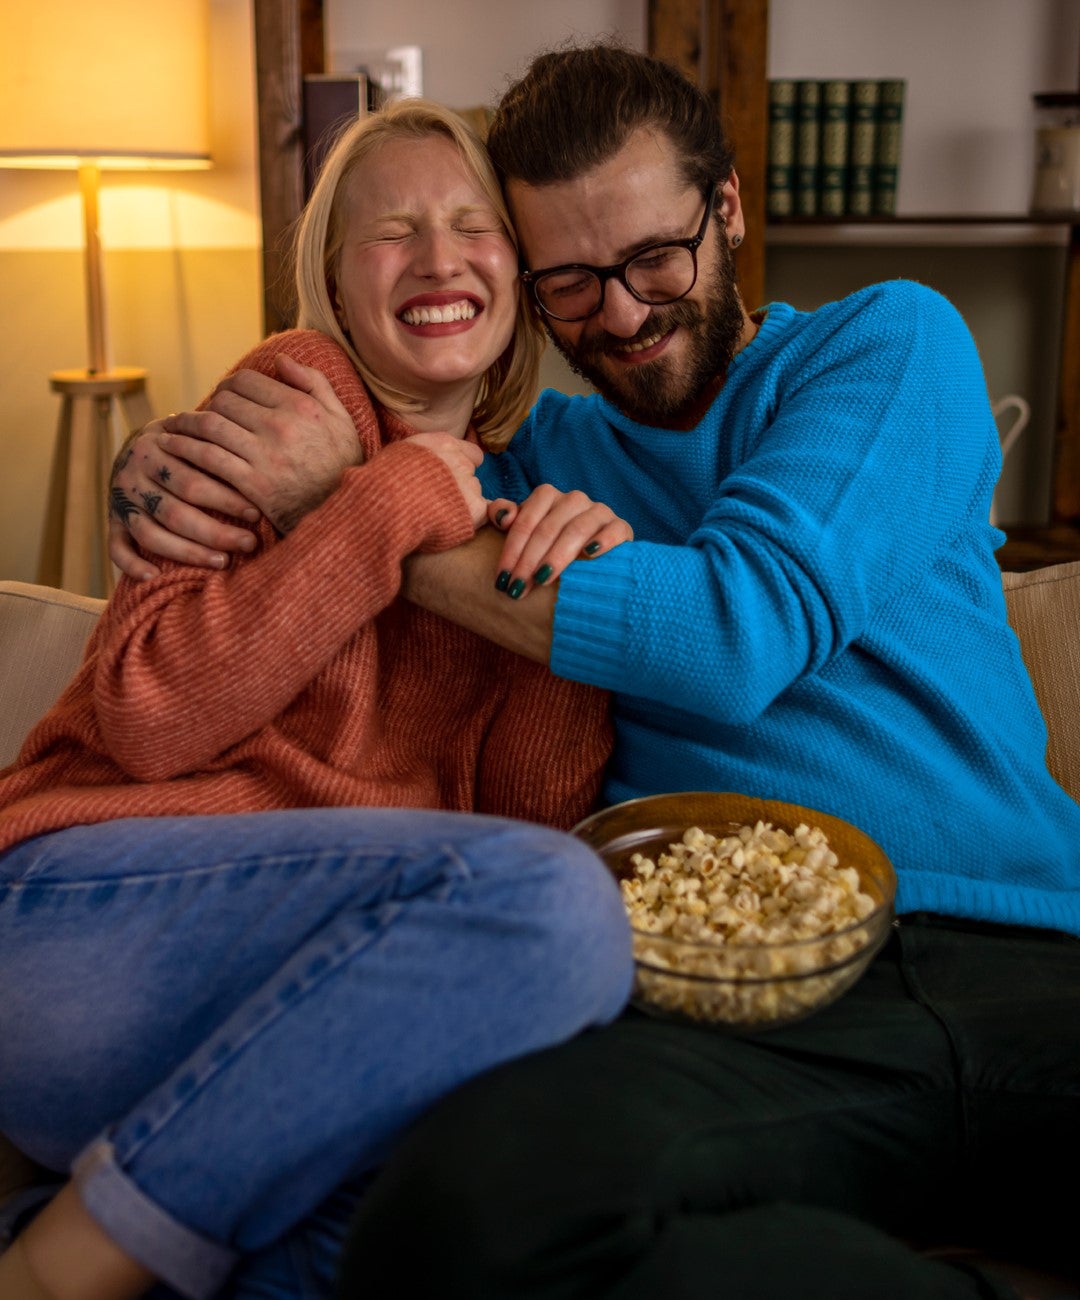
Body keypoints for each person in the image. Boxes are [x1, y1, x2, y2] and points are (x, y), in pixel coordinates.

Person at [107, 45, 1080, 1300]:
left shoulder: (885, 347)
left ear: (726, 209)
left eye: (653, 262)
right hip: (742, 1016)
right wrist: (153, 465)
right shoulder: (521, 460)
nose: (618, 315)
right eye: (569, 282)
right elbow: (301, 445)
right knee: (458, 1217)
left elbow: (738, 629)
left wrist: (371, 527)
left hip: (1025, 956)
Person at [0, 98, 636, 1300]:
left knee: (450, 1207)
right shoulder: (290, 396)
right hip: (71, 924)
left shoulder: (530, 489)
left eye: (473, 225)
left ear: (523, 266)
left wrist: (566, 616)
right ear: (334, 283)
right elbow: (151, 714)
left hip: (264, 1011)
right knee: (562, 906)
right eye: (392, 231)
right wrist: (388, 499)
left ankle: (77, 1232)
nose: (440, 259)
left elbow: (520, 827)